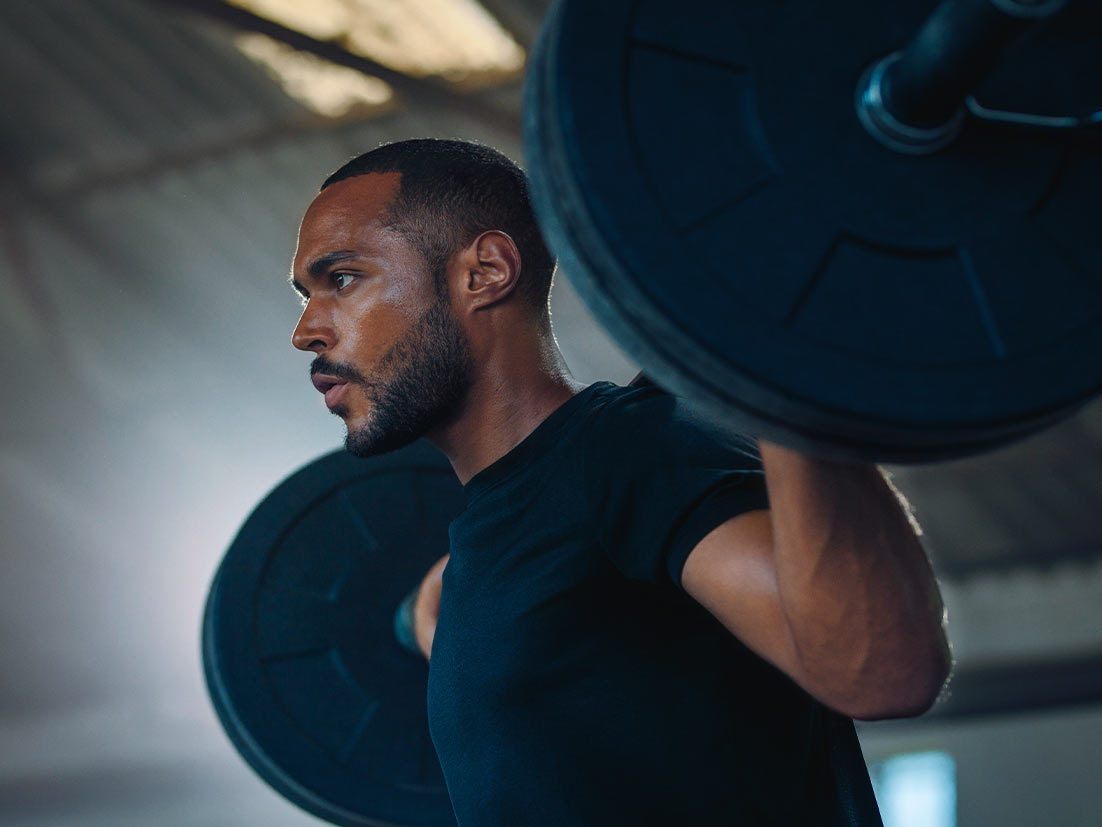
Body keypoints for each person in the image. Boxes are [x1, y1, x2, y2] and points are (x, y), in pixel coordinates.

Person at [289, 138, 950, 826]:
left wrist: (777, 350)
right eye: (305, 296)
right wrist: (427, 611)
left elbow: (882, 667)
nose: (306, 330)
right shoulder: (488, 553)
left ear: (484, 271)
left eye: (341, 278)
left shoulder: (631, 453)